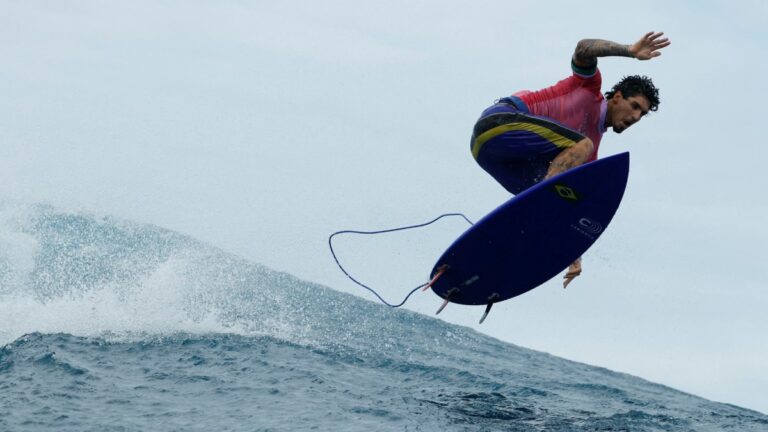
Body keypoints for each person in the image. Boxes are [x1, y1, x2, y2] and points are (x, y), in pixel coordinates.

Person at [471, 31, 670, 288]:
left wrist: (572, 254)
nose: (636, 117)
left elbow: (570, 206)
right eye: (634, 106)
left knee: (564, 196)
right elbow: (583, 47)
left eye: (642, 114)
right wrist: (629, 50)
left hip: (490, 156)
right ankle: (539, 202)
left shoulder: (585, 155)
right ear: (617, 96)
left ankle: (491, 259)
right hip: (497, 125)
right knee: (573, 159)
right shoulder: (587, 88)